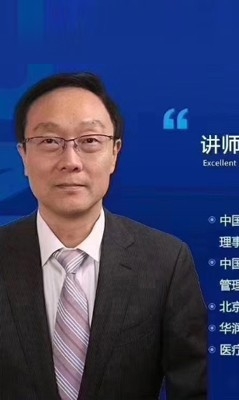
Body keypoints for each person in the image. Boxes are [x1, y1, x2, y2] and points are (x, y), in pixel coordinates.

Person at [0, 72, 208, 400]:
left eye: (89, 141)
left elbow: (190, 389)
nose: (70, 162)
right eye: (50, 141)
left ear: (114, 153)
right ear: (24, 155)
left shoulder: (166, 263)